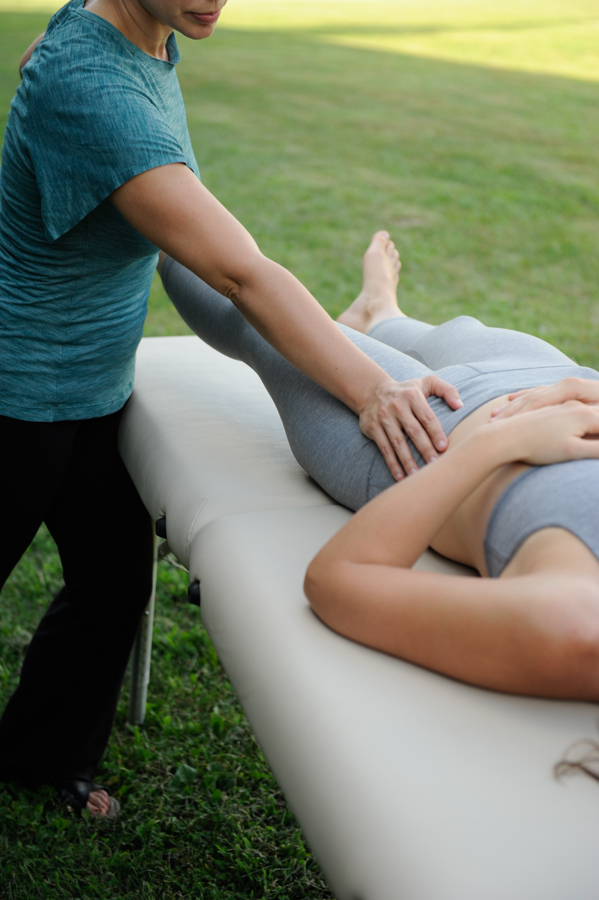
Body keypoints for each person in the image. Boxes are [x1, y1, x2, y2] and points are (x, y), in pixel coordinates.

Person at [0, 2, 461, 816]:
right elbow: (241, 275)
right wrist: (372, 387)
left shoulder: (127, 31)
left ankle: (41, 759)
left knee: (110, 580)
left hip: (90, 384)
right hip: (19, 391)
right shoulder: (97, 92)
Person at [158, 232, 599, 701]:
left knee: (254, 316)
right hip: (559, 381)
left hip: (423, 435)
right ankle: (378, 310)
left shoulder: (572, 627)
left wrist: (501, 441)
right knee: (439, 333)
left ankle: (143, 203)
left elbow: (337, 581)